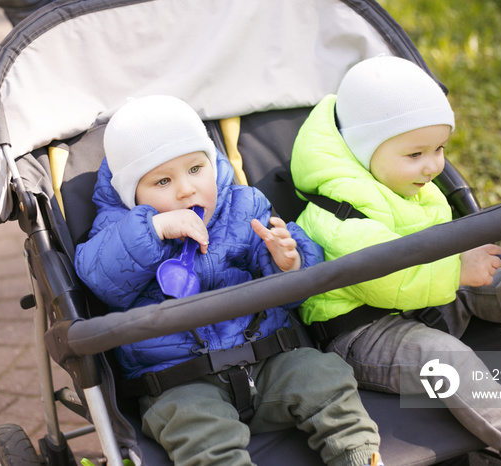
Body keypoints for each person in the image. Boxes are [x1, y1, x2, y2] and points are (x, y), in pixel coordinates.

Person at [290, 56, 501, 466]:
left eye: (440, 149)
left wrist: (463, 264)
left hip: (416, 301)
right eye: (416, 153)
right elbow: (382, 273)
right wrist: (455, 268)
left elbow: (432, 254)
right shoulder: (333, 211)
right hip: (360, 334)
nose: (433, 166)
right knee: (445, 358)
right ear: (364, 150)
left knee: (478, 271)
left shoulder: (408, 183)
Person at [75, 95, 383, 466]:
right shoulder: (115, 229)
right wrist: (153, 230)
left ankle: (358, 454)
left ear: (211, 162)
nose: (186, 190)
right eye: (162, 181)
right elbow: (100, 278)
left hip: (269, 359)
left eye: (194, 169)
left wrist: (289, 262)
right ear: (131, 193)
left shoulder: (243, 206)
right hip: (178, 382)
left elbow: (290, 293)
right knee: (199, 433)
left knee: (324, 377)